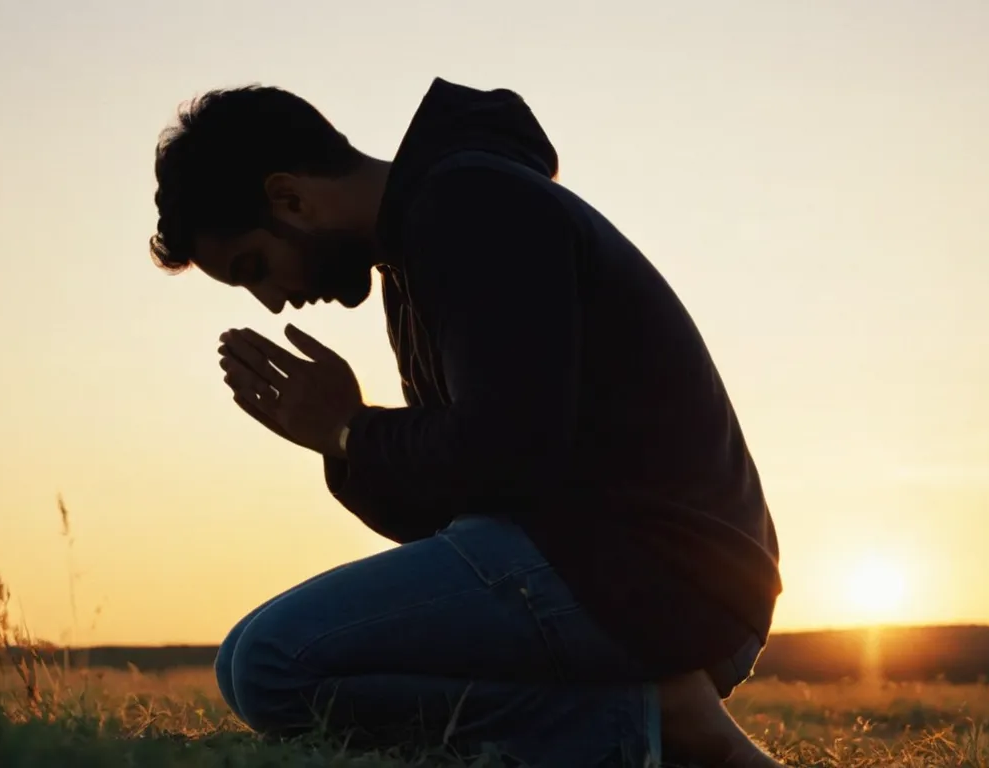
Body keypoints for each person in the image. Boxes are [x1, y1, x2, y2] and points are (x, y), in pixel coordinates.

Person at [148, 77, 785, 767]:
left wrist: (350, 431)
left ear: (290, 198)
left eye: (255, 267)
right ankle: (648, 712)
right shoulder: (420, 247)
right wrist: (341, 442)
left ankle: (652, 721)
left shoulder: (470, 206)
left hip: (663, 575)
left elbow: (509, 454)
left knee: (272, 663)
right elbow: (468, 506)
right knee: (252, 657)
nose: (274, 302)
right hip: (622, 571)